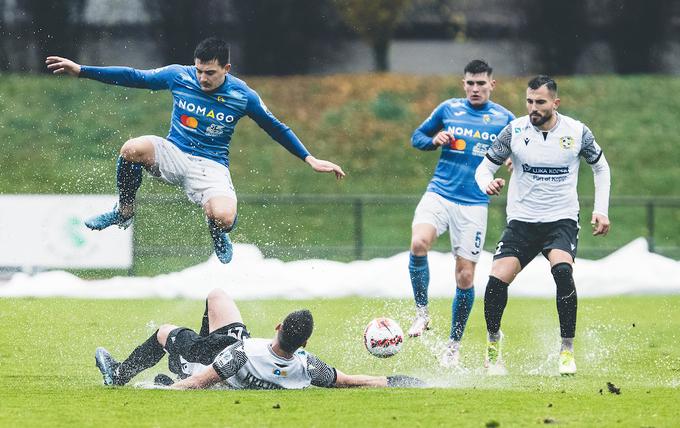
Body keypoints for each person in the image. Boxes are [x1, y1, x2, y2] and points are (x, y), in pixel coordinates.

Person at [45, 37, 345, 264]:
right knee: (132, 148)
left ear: (226, 69)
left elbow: (276, 127)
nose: (203, 78)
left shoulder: (243, 95)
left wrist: (310, 158)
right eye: (200, 70)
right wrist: (82, 70)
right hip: (174, 152)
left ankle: (218, 231)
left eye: (210, 73)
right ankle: (124, 210)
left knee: (224, 217)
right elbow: (135, 76)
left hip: (211, 166)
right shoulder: (179, 75)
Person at [475, 75, 611, 376]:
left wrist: (601, 210)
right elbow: (484, 167)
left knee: (563, 272)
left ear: (555, 103)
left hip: (560, 220)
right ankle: (494, 344)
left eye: (540, 102)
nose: (533, 108)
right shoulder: (515, 130)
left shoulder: (577, 132)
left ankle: (566, 350)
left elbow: (600, 167)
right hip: (522, 221)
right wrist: (487, 183)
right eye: (529, 101)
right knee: (495, 282)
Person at [94, 288, 423, 390]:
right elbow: (351, 381)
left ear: (279, 326)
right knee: (217, 296)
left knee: (164, 332)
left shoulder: (241, 353)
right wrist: (397, 380)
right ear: (304, 345)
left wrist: (161, 387)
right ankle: (184, 358)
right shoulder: (307, 367)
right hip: (235, 345)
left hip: (215, 359)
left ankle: (118, 375)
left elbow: (198, 384)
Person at [407, 59, 515, 368]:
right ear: (463, 84)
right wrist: (433, 141)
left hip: (473, 205)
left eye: (481, 83)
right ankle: (422, 314)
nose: (475, 88)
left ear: (492, 85)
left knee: (465, 276)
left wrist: (511, 163)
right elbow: (417, 137)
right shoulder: (448, 110)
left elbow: (521, 150)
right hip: (439, 193)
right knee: (418, 243)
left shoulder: (505, 119)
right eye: (470, 83)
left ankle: (453, 346)